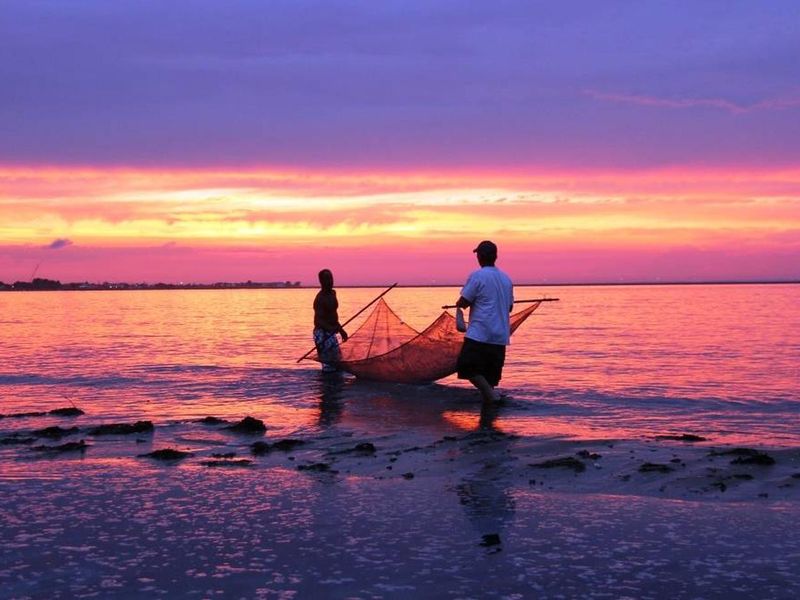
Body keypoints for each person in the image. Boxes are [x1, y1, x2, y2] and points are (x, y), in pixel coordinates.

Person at [455, 240, 514, 404]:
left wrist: (459, 305)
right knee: (490, 378)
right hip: (500, 337)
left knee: (466, 367)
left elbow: (464, 302)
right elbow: (509, 308)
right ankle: (488, 419)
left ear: (480, 257)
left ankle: (491, 397)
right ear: (495, 256)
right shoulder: (506, 279)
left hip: (480, 334)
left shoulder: (477, 276)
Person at [313, 269, 348, 372]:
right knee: (329, 366)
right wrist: (331, 328)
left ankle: (336, 386)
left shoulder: (333, 293)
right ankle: (327, 386)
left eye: (331, 278)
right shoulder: (320, 299)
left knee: (337, 361)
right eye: (327, 279)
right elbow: (318, 321)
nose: (330, 281)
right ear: (321, 281)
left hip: (331, 331)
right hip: (322, 333)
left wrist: (341, 331)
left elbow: (333, 315)